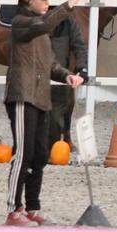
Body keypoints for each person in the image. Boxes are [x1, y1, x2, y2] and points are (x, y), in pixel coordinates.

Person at [4, 0, 87, 227]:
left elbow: (50, 63)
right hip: (22, 95)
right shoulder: (21, 23)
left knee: (40, 153)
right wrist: (71, 3)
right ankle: (13, 209)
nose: (46, 2)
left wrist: (67, 76)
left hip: (40, 96)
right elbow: (45, 25)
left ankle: (33, 206)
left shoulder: (40, 29)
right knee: (24, 153)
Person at [48, 14, 88, 148]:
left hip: (59, 77)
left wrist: (83, 69)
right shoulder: (32, 20)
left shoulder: (68, 21)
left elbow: (79, 46)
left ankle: (53, 145)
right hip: (37, 77)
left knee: (56, 115)